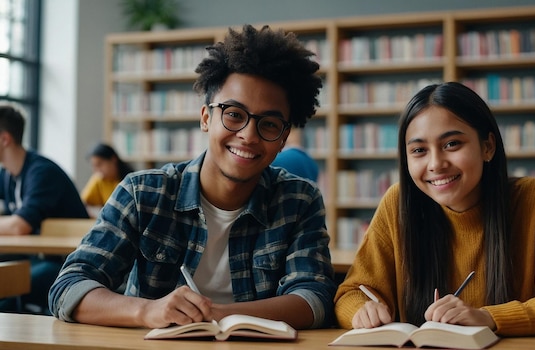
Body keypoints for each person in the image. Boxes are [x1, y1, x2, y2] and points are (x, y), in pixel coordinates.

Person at [49, 24, 336, 330]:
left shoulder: (299, 200)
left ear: (283, 137)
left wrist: (217, 316)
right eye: (234, 114)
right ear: (205, 118)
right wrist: (148, 312)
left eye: (268, 124)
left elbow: (313, 298)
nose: (248, 136)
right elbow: (69, 287)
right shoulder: (142, 192)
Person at [334, 82, 535, 336]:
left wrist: (488, 317)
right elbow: (351, 292)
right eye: (419, 150)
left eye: (452, 144)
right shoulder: (398, 203)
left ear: (487, 147)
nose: (435, 164)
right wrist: (361, 310)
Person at [0, 104, 89, 315]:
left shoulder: (42, 172)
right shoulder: (7, 174)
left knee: (6, 284)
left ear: (4, 139)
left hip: (68, 266)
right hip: (36, 259)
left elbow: (19, 226)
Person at [81, 143, 134, 218]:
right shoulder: (98, 179)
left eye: (100, 164)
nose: (97, 170)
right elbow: (82, 202)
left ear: (113, 159)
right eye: (94, 166)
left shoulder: (130, 180)